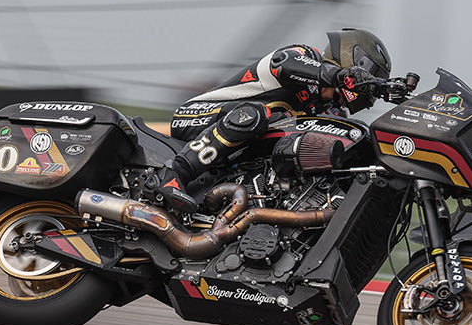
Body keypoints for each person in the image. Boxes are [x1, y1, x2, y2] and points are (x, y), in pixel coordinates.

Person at [147, 28, 392, 214]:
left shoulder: (331, 112)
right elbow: (282, 64)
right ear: (353, 59)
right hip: (197, 116)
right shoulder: (304, 56)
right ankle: (173, 173)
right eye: (371, 73)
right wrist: (339, 75)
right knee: (257, 114)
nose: (370, 83)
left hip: (232, 155)